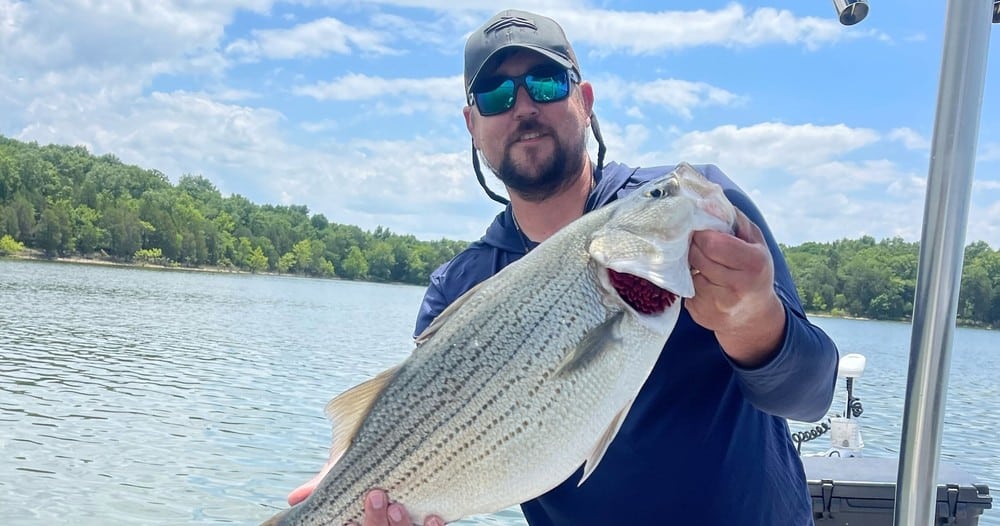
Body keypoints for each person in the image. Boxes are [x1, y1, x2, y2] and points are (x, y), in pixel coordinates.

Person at [290, 9, 839, 526]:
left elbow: (810, 395)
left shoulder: (696, 213)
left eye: (547, 82)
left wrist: (754, 320)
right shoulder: (456, 287)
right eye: (496, 94)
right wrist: (353, 487)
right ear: (471, 124)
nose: (523, 106)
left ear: (586, 100)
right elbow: (413, 431)